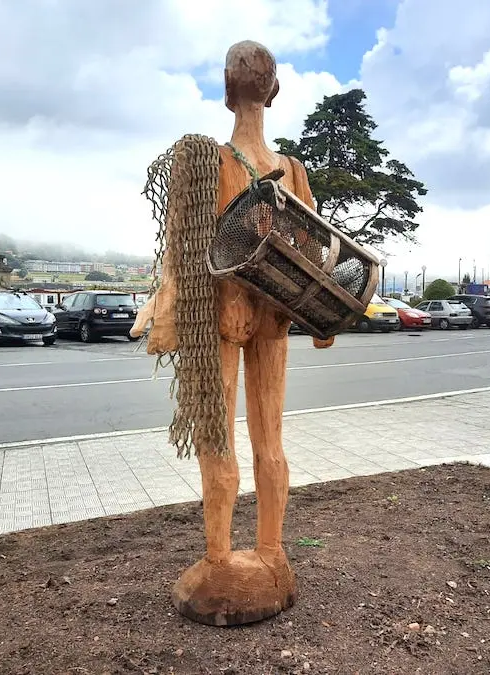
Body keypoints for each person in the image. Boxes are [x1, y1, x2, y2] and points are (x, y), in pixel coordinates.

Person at [131, 40, 332, 625]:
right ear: (273, 90)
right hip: (274, 315)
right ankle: (268, 550)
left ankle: (221, 556)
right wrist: (327, 319)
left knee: (218, 436)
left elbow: (179, 249)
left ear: (227, 90)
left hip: (221, 316)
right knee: (270, 437)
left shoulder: (203, 159)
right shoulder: (291, 170)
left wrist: (164, 305)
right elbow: (316, 255)